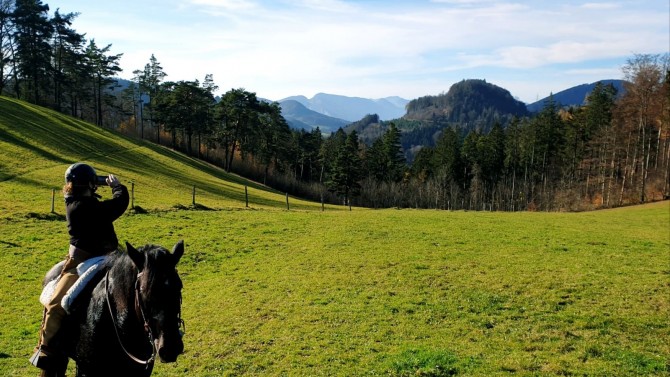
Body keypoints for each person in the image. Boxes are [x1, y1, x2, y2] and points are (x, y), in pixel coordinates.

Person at [30, 163, 129, 371]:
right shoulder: (79, 206)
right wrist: (118, 188)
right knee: (56, 305)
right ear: (91, 184)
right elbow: (117, 205)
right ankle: (45, 349)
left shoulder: (85, 202)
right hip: (82, 260)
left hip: (109, 255)